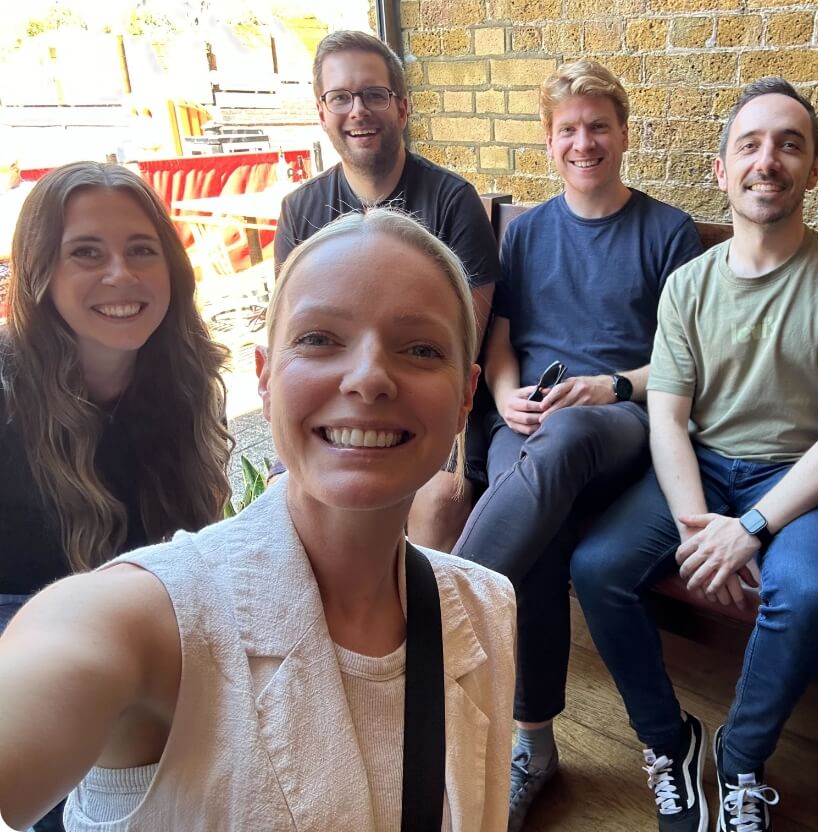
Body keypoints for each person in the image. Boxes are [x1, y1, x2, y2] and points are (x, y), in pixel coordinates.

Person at [0, 208, 516, 831]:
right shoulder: (146, 621)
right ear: (265, 379)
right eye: (319, 339)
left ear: (466, 396)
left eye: (421, 349)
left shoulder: (486, 608)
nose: (369, 378)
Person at [571, 77, 818, 831]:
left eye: (789, 145)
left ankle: (742, 756)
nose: (767, 160)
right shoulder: (688, 285)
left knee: (805, 590)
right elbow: (667, 417)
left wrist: (749, 528)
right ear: (722, 170)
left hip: (800, 479)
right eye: (749, 145)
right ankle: (668, 741)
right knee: (596, 567)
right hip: (702, 467)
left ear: (815, 169)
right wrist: (696, 528)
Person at [450, 60, 703, 830]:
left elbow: (688, 360)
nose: (583, 142)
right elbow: (500, 341)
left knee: (560, 448)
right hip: (527, 422)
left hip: (619, 420)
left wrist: (610, 386)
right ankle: (535, 745)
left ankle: (438, 613)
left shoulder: (668, 231)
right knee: (541, 529)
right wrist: (504, 396)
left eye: (598, 127)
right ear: (549, 140)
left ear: (623, 135)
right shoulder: (526, 233)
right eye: (568, 130)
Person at [0, 161, 232, 831]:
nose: (120, 275)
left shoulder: (182, 381)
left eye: (141, 250)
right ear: (40, 272)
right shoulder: (7, 396)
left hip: (146, 637)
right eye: (86, 253)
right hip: (27, 647)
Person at [275, 30, 502, 550]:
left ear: (401, 107)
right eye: (340, 97)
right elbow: (293, 337)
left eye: (374, 95)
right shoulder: (300, 209)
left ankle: (420, 603)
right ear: (322, 112)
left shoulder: (452, 201)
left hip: (428, 401)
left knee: (438, 499)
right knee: (286, 494)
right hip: (337, 399)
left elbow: (460, 345)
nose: (358, 110)